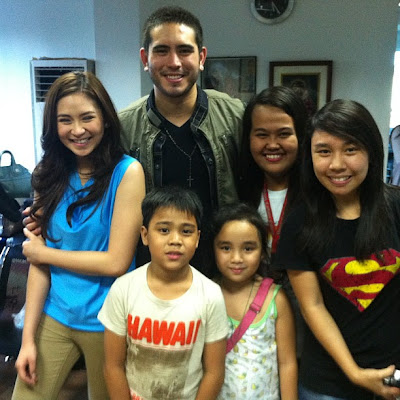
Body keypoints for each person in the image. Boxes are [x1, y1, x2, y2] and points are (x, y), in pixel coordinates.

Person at [12, 71, 145, 400]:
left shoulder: (127, 173)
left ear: (105, 119)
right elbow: (39, 267)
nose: (77, 130)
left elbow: (116, 262)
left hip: (108, 322)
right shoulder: (47, 174)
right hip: (55, 314)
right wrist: (27, 340)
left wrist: (44, 253)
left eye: (87, 117)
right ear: (53, 125)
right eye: (65, 120)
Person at [273, 99, 400, 400]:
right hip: (326, 385)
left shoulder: (396, 207)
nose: (337, 164)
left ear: (371, 150)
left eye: (350, 149)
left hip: (393, 375)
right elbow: (313, 306)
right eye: (324, 151)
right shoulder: (299, 223)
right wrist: (354, 373)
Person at [119, 6, 244, 275]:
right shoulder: (124, 127)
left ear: (201, 57)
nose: (174, 62)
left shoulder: (235, 117)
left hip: (226, 272)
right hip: (152, 275)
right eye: (162, 51)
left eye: (185, 50)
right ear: (145, 58)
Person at [98, 186, 228, 400]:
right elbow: (113, 366)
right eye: (164, 230)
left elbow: (214, 372)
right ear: (145, 235)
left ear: (197, 238)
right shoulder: (123, 289)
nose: (175, 240)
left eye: (186, 231)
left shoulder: (211, 295)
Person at [212, 203, 297, 400]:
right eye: (226, 248)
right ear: (213, 248)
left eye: (248, 248)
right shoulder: (206, 294)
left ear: (262, 251)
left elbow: (287, 363)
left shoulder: (275, 299)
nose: (236, 258)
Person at [238, 86, 307, 256]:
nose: (272, 145)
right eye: (262, 135)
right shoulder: (237, 193)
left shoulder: (318, 195)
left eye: (283, 134)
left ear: (301, 136)